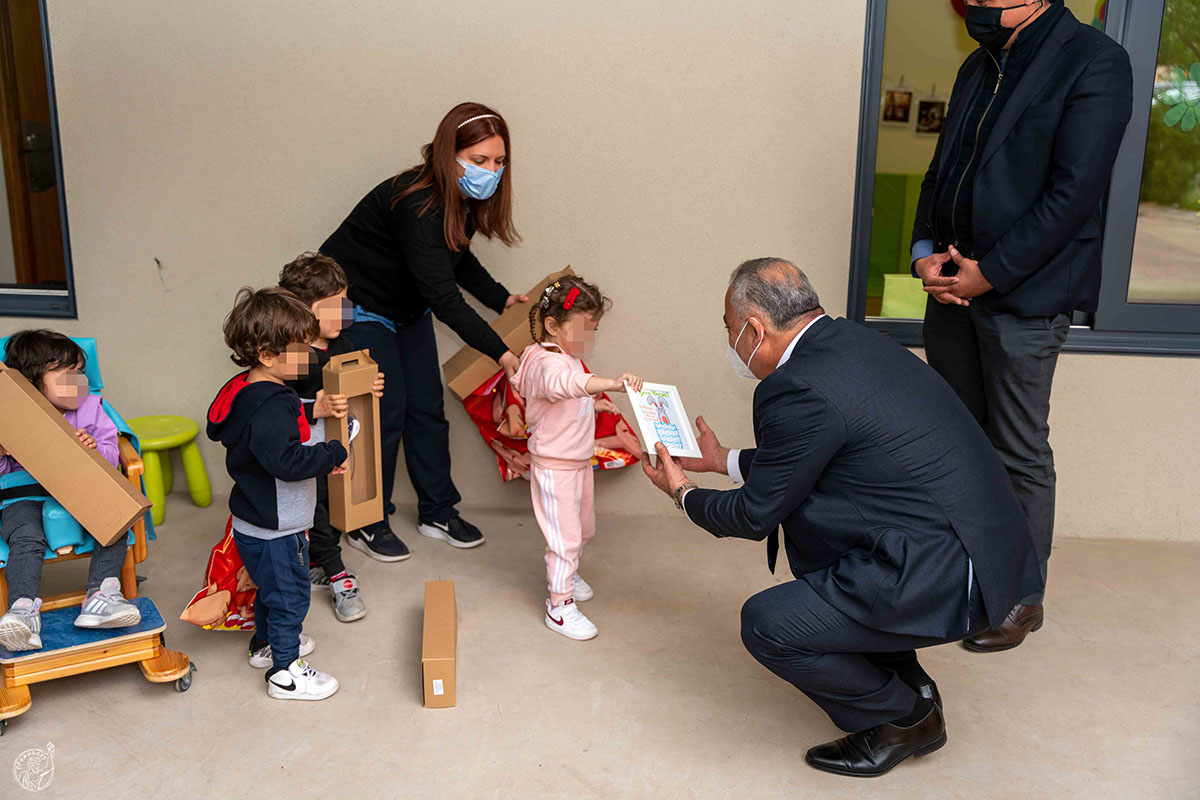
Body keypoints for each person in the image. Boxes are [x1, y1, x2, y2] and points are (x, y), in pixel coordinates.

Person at [641, 259, 1042, 777]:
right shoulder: (853, 343)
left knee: (769, 624)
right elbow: (820, 452)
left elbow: (752, 514)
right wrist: (721, 460)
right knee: (825, 542)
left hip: (947, 572)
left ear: (754, 329)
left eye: (729, 328)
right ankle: (909, 684)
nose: (731, 342)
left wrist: (682, 491)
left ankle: (905, 719)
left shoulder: (795, 387)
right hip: (985, 551)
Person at [911, 0, 1133, 652]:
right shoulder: (978, 66)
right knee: (958, 441)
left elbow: (1074, 193)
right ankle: (964, 575)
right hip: (953, 290)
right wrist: (926, 247)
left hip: (1025, 297)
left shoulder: (1096, 62)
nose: (975, 4)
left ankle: (1017, 597)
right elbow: (942, 169)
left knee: (1017, 452)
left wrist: (993, 271)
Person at [320, 101, 529, 561]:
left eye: (498, 161)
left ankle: (437, 510)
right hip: (357, 308)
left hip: (405, 310)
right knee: (383, 413)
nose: (490, 171)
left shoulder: (461, 200)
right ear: (446, 154)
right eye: (478, 161)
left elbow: (456, 259)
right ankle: (367, 522)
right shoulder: (416, 202)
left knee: (427, 411)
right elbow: (444, 296)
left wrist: (501, 300)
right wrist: (502, 352)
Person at [207, 287, 348, 701]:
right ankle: (285, 671)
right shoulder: (273, 403)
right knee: (290, 596)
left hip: (253, 520)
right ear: (268, 355)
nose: (310, 356)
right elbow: (285, 461)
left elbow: (269, 432)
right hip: (279, 525)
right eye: (301, 349)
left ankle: (264, 645)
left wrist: (308, 415)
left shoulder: (247, 391)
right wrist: (333, 452)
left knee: (271, 588)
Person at [511, 277, 642, 641]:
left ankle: (567, 571)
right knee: (565, 537)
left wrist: (593, 402)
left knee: (583, 528)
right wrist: (611, 385)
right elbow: (563, 386)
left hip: (578, 462)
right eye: (583, 329)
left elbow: (572, 394)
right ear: (553, 326)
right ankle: (559, 605)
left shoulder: (568, 357)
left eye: (594, 330)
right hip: (554, 468)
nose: (590, 338)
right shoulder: (544, 363)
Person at [0, 330, 141, 651]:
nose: (80, 383)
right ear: (33, 384)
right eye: (68, 376)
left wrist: (94, 451)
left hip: (81, 490)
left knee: (114, 518)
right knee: (25, 534)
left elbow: (111, 455)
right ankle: (23, 610)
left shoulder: (91, 408)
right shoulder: (12, 416)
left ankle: (102, 595)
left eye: (80, 373)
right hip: (23, 495)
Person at [279, 252, 385, 622]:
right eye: (334, 305)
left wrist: (367, 386)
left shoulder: (341, 345)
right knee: (317, 510)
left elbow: (349, 388)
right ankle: (339, 575)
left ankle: (316, 561)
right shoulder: (293, 356)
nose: (345, 311)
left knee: (330, 507)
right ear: (304, 311)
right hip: (303, 453)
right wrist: (313, 409)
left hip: (336, 449)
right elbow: (273, 410)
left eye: (345, 301)